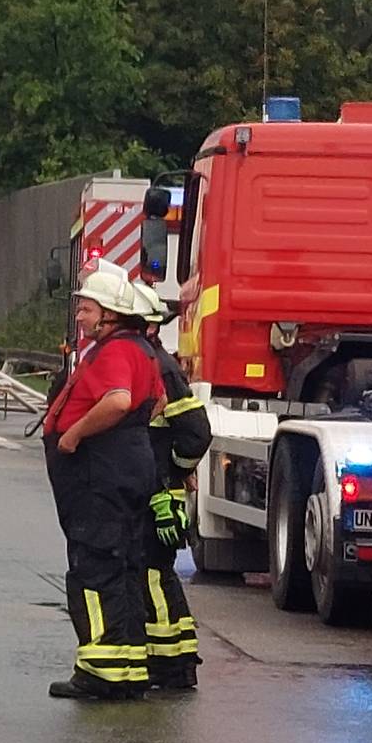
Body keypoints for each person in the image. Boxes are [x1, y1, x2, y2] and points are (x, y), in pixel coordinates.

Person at [41, 267, 167, 701]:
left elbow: (118, 401)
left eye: (87, 308)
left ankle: (100, 671)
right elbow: (158, 401)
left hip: (100, 477)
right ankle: (130, 669)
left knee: (95, 570)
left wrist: (74, 435)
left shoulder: (115, 352)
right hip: (128, 468)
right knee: (125, 570)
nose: (80, 315)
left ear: (110, 315)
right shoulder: (143, 351)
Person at [134, 287, 209, 691]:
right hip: (155, 486)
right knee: (155, 574)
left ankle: (169, 665)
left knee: (152, 573)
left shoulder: (159, 368)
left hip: (158, 492)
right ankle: (173, 659)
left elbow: (196, 432)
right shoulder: (151, 361)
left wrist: (174, 474)